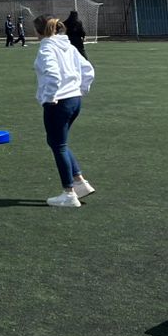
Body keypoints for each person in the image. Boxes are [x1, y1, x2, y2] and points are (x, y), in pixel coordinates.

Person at [34, 14, 96, 208]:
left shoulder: (46, 48)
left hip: (59, 102)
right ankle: (79, 182)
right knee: (57, 142)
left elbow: (52, 74)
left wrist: (51, 96)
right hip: (74, 99)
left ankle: (69, 193)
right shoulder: (68, 46)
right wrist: (81, 89)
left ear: (39, 31)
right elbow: (88, 70)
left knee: (58, 144)